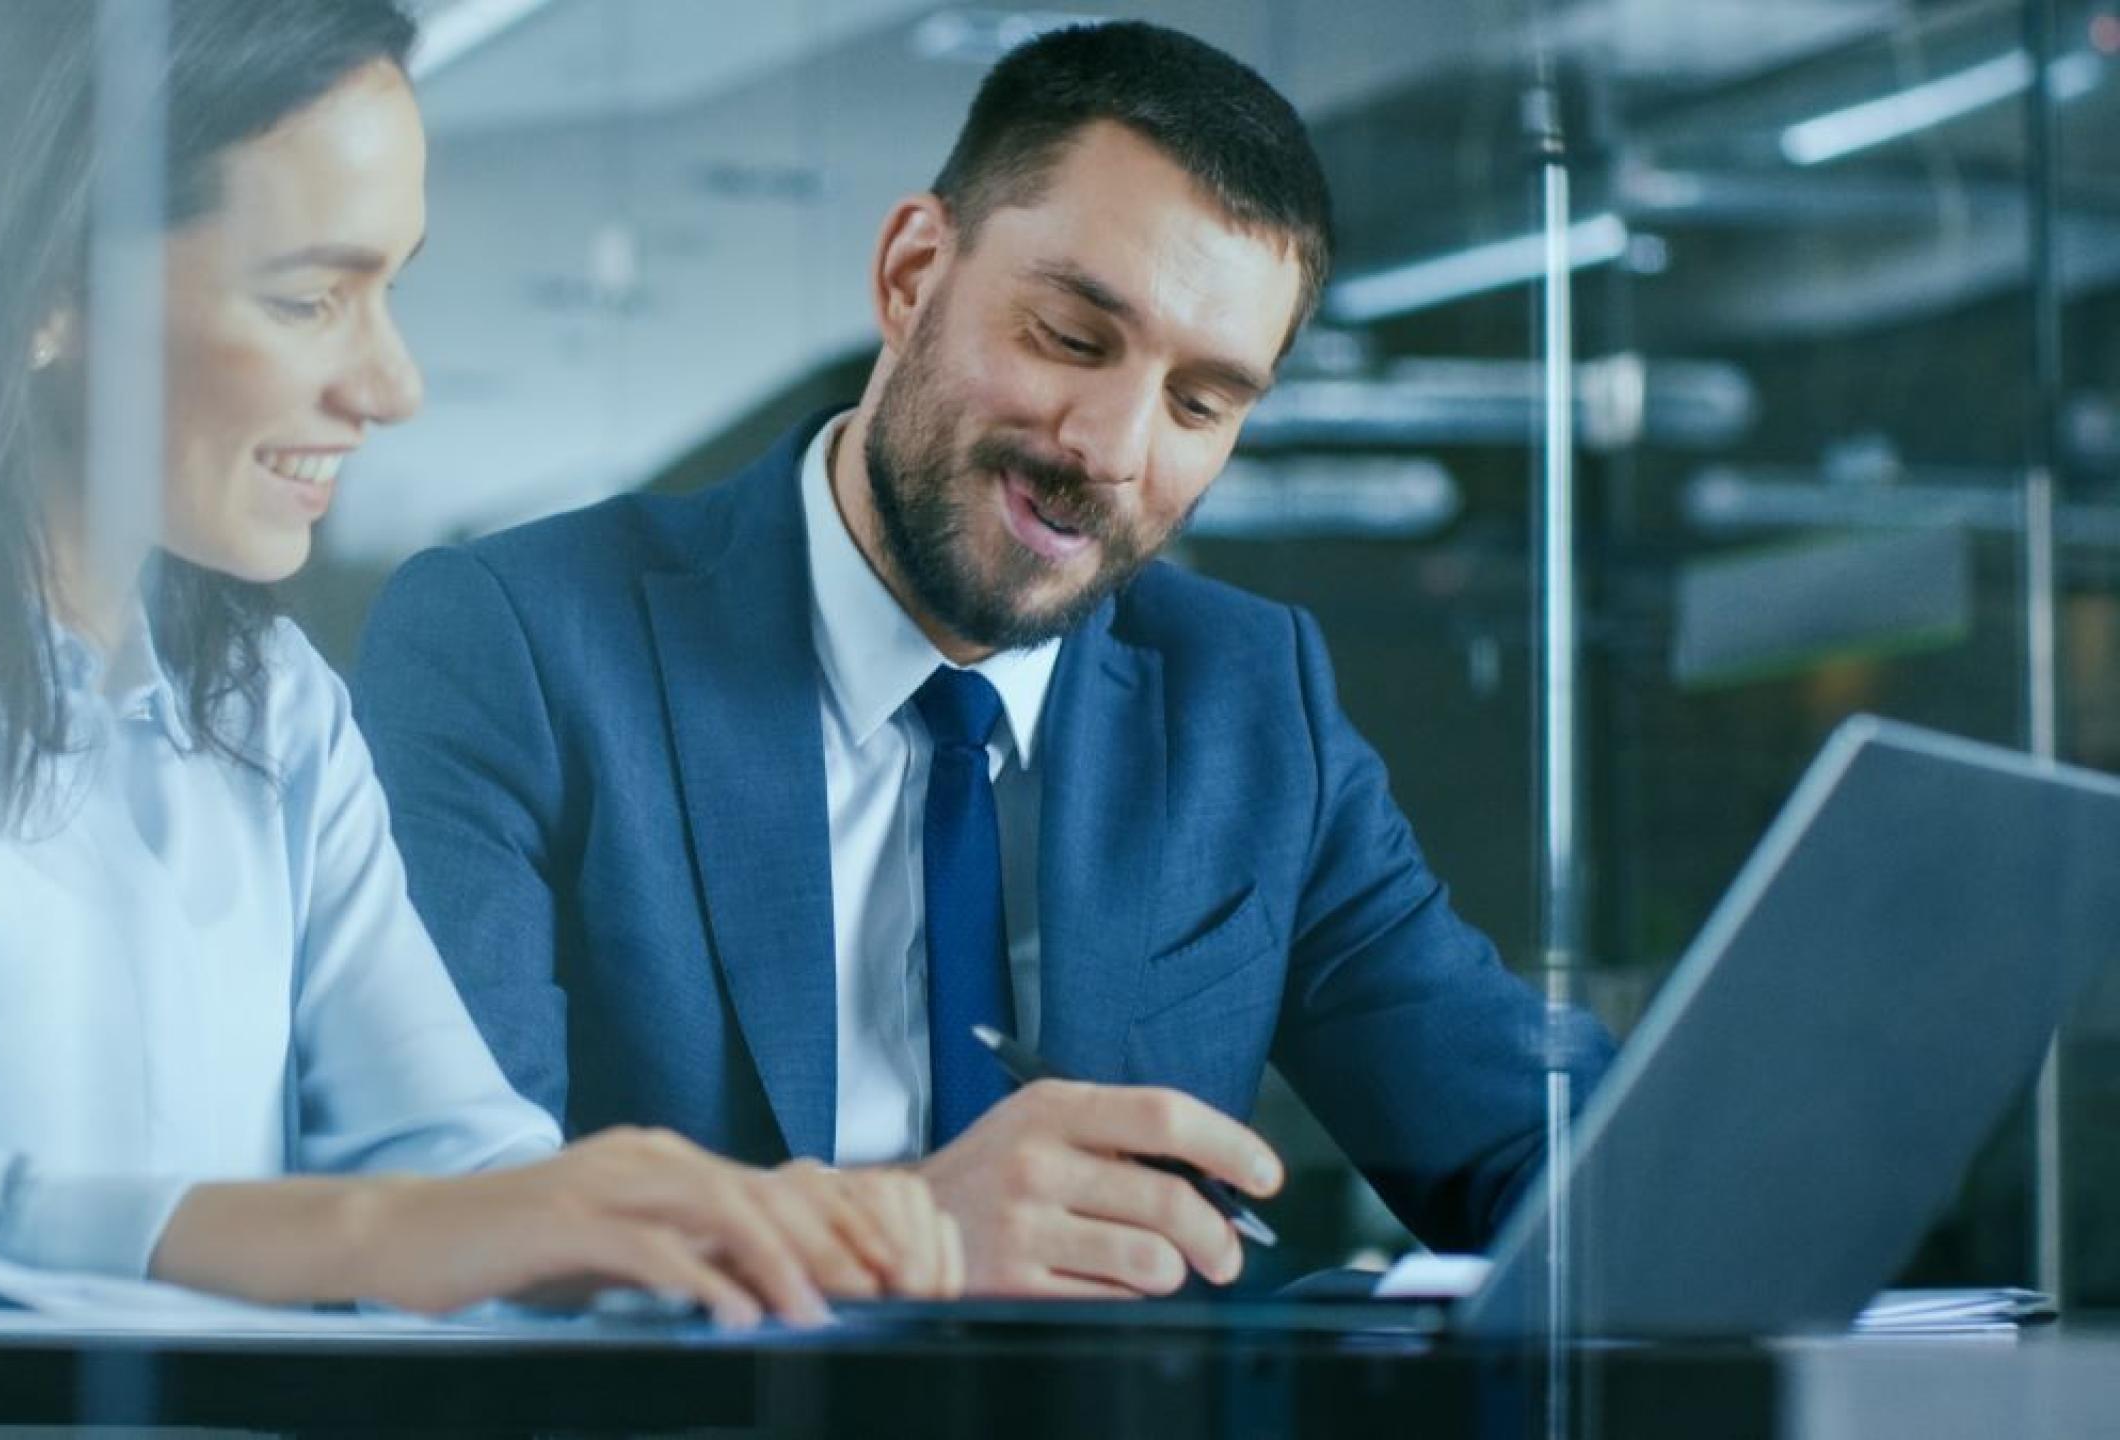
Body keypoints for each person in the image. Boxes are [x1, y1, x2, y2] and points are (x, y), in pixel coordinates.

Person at [0, 0, 958, 1327]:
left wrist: (853, 1227)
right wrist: (337, 1236)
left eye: (390, 289)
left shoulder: (275, 711)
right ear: (39, 286)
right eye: (309, 299)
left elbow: (468, 1191)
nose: (392, 386)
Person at [353, 20, 1614, 1298]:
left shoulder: (1248, 700)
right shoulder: (516, 642)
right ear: (910, 276)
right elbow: (443, 1238)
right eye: (1071, 337)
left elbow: (1558, 1152)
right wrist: (904, 1236)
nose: (1111, 448)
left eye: (1199, 404)